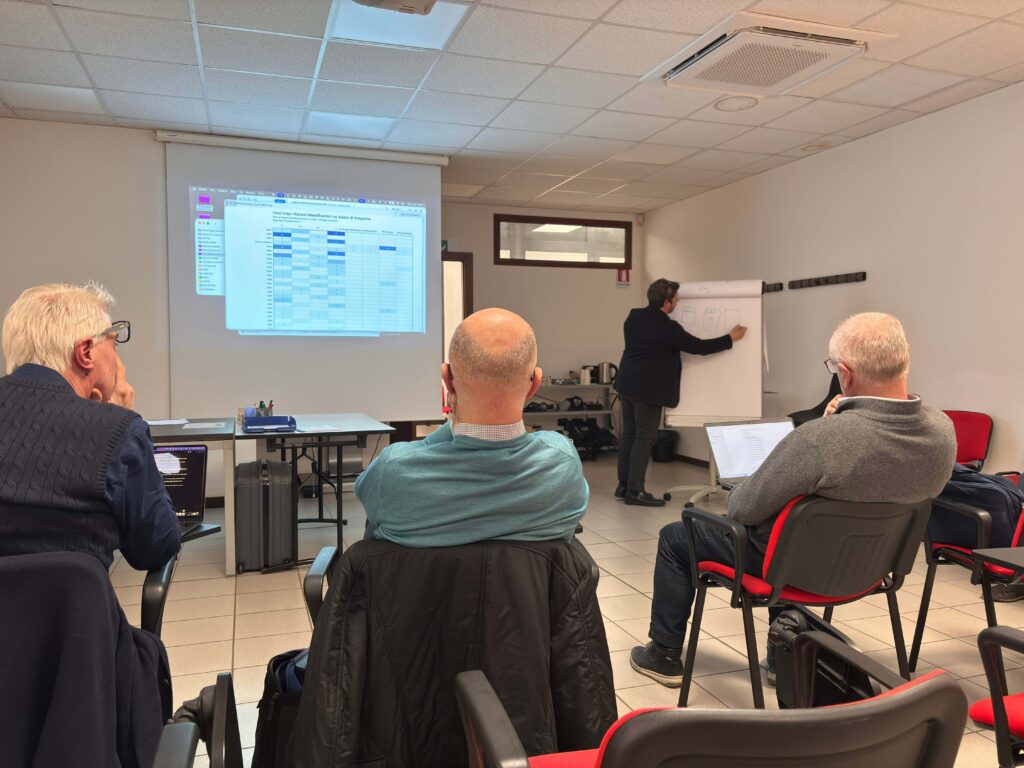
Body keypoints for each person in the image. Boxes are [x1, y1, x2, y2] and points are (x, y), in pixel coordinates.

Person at [630, 312, 957, 687]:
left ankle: (663, 655)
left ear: (845, 374)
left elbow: (741, 508)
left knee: (677, 537)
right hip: (874, 568)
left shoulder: (819, 439)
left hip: (795, 567)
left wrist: (831, 428)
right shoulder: (942, 432)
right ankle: (781, 656)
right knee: (796, 535)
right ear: (905, 357)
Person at [356, 307, 588, 547]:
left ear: (447, 380)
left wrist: (455, 420)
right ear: (535, 384)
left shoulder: (392, 470)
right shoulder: (563, 462)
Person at [0, 283, 181, 571]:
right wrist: (119, 420)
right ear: (86, 352)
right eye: (114, 344)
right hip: (71, 602)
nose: (117, 359)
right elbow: (156, 547)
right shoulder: (117, 429)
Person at [615, 278, 746, 507]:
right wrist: (730, 339)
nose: (677, 302)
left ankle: (624, 486)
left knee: (629, 435)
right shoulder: (667, 327)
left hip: (626, 384)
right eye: (676, 299)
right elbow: (698, 347)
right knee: (644, 438)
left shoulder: (634, 317)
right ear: (667, 302)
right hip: (647, 389)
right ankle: (635, 491)